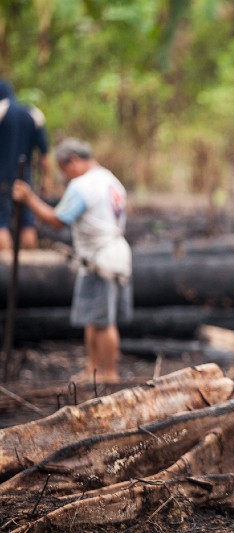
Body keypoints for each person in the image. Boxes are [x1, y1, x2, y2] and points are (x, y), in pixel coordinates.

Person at [13, 138, 133, 383]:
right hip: (103, 254)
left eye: (64, 169)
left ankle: (109, 374)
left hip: (103, 257)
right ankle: (92, 370)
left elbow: (58, 221)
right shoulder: (110, 179)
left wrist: (29, 198)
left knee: (104, 320)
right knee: (94, 318)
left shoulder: (84, 185)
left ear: (74, 161)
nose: (65, 176)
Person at [0, 78, 52, 251]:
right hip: (24, 178)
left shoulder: (1, 112)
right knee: (27, 221)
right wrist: (47, 178)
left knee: (1, 222)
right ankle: (29, 263)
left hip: (2, 177)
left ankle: (5, 269)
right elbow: (44, 154)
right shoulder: (32, 114)